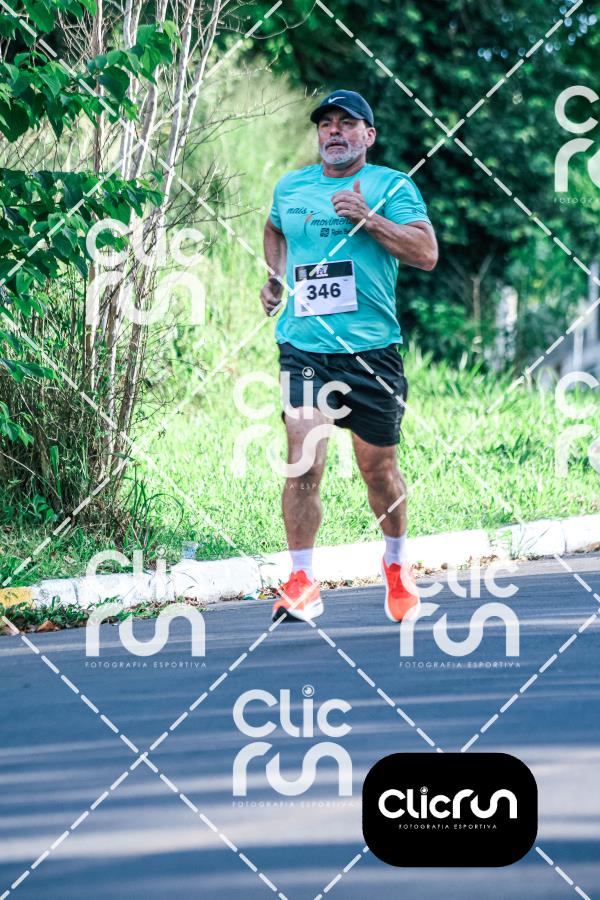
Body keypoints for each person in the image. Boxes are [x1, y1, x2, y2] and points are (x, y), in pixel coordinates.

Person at [260, 89, 438, 624]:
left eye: (347, 123)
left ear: (369, 135)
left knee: (377, 471)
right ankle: (302, 580)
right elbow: (274, 228)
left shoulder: (392, 186)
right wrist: (274, 277)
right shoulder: (291, 187)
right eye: (326, 124)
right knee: (303, 459)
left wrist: (369, 219)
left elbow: (426, 253)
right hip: (305, 346)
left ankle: (396, 564)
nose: (334, 131)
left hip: (371, 353)